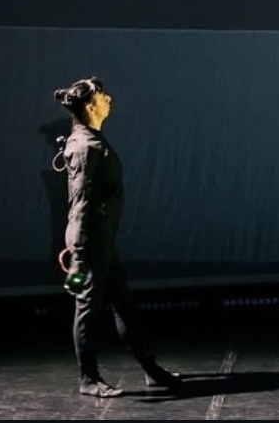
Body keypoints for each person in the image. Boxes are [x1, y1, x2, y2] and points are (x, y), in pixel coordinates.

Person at [52, 75, 183, 397]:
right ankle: (88, 379)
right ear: (90, 106)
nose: (108, 99)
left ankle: (151, 370)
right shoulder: (84, 147)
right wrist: (79, 253)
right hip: (90, 240)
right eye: (102, 96)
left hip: (102, 238)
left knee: (123, 304)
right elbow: (79, 202)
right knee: (88, 309)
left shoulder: (93, 140)